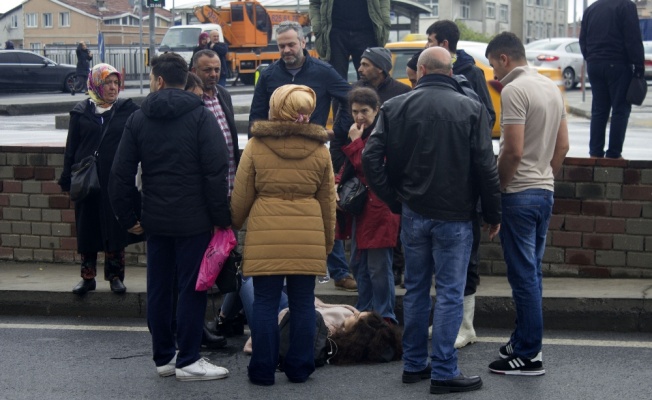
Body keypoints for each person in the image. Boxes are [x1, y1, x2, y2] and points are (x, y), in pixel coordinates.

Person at [362, 47, 501, 394]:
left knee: (416, 289)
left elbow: (370, 156)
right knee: (451, 293)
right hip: (456, 215)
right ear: (450, 72)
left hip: (413, 211)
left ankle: (413, 364)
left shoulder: (395, 107)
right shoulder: (472, 109)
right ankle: (443, 370)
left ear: (421, 70)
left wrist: (394, 198)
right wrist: (493, 212)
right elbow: (486, 165)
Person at [109, 52, 231, 381]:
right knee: (192, 288)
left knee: (159, 288)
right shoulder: (201, 116)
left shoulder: (138, 118)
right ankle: (189, 359)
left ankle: (164, 356)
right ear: (182, 78)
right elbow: (216, 171)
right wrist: (221, 217)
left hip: (155, 220)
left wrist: (127, 216)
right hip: (194, 220)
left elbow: (120, 174)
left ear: (159, 80)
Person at [230, 84, 336, 386]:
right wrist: (326, 242)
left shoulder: (256, 146)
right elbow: (329, 202)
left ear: (276, 107)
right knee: (303, 303)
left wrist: (233, 226)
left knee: (264, 303)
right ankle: (299, 368)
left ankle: (263, 370)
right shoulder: (319, 150)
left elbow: (241, 197)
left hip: (266, 234)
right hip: (307, 236)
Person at [485, 32, 569, 376]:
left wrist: (498, 191)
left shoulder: (516, 90)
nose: (494, 74)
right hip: (544, 191)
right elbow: (562, 146)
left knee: (523, 276)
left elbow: (512, 150)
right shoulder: (551, 87)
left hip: (518, 194)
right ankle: (521, 338)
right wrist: (544, 177)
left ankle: (529, 355)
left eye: (493, 65)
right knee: (531, 272)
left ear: (504, 58)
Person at [249, 20, 354, 292]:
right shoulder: (269, 75)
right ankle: (283, 271)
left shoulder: (323, 72)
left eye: (291, 44)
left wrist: (336, 132)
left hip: (313, 152)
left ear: (303, 42)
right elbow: (256, 114)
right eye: (281, 45)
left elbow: (350, 98)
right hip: (276, 154)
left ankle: (339, 270)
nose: (286, 50)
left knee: (323, 207)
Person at [426, 20, 496, 349]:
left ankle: (465, 325)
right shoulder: (438, 77)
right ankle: (449, 321)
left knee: (465, 260)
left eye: (430, 40)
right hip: (443, 184)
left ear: (444, 43)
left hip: (464, 184)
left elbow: (486, 120)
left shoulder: (472, 73)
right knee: (444, 263)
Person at [58, 63, 140, 296]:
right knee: (88, 228)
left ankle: (115, 276)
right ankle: (87, 277)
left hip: (116, 180)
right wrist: (67, 179)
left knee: (114, 228)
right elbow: (71, 148)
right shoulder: (81, 112)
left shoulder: (127, 110)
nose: (113, 88)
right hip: (88, 181)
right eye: (107, 83)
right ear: (95, 84)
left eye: (116, 83)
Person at [337, 87, 399, 323]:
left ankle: (384, 316)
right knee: (359, 263)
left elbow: (370, 167)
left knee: (378, 267)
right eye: (355, 111)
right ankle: (366, 310)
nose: (359, 116)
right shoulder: (361, 133)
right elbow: (349, 169)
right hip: (364, 208)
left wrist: (355, 142)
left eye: (364, 111)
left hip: (379, 209)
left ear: (376, 110)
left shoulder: (382, 133)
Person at [353, 47, 410, 287]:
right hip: (360, 179)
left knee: (395, 227)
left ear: (380, 67)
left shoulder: (402, 93)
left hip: (391, 170)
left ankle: (398, 268)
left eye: (365, 64)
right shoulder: (355, 92)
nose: (360, 68)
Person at [243, 296, 402, 366]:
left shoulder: (330, 333)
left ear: (358, 333)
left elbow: (288, 318)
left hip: (280, 316)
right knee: (244, 276)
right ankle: (225, 318)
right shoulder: (345, 325)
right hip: (294, 305)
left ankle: (224, 318)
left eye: (358, 316)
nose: (355, 312)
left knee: (245, 279)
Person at [579, 0, 645, 159]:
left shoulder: (591, 9)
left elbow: (583, 40)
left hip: (594, 65)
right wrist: (638, 68)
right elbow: (633, 39)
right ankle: (613, 155)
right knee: (620, 110)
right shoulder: (626, 6)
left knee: (599, 111)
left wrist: (591, 58)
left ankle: (595, 154)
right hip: (618, 64)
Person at [191, 49, 240, 196]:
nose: (213, 74)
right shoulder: (191, 99)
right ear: (194, 71)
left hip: (231, 184)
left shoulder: (223, 94)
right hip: (205, 189)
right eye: (207, 70)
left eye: (217, 69)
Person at [309, 0, 390, 82]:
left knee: (369, 80)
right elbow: (315, 3)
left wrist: (385, 23)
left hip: (367, 32)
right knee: (335, 79)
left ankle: (368, 95)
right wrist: (317, 27)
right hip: (334, 34)